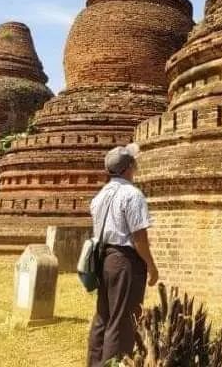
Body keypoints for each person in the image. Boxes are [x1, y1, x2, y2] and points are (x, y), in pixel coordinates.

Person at [87, 143, 159, 367]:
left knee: (103, 317)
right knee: (122, 320)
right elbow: (139, 238)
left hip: (104, 259)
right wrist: (152, 266)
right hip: (125, 260)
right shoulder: (132, 194)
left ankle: (95, 363)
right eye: (134, 163)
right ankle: (114, 364)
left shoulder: (100, 196)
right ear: (129, 167)